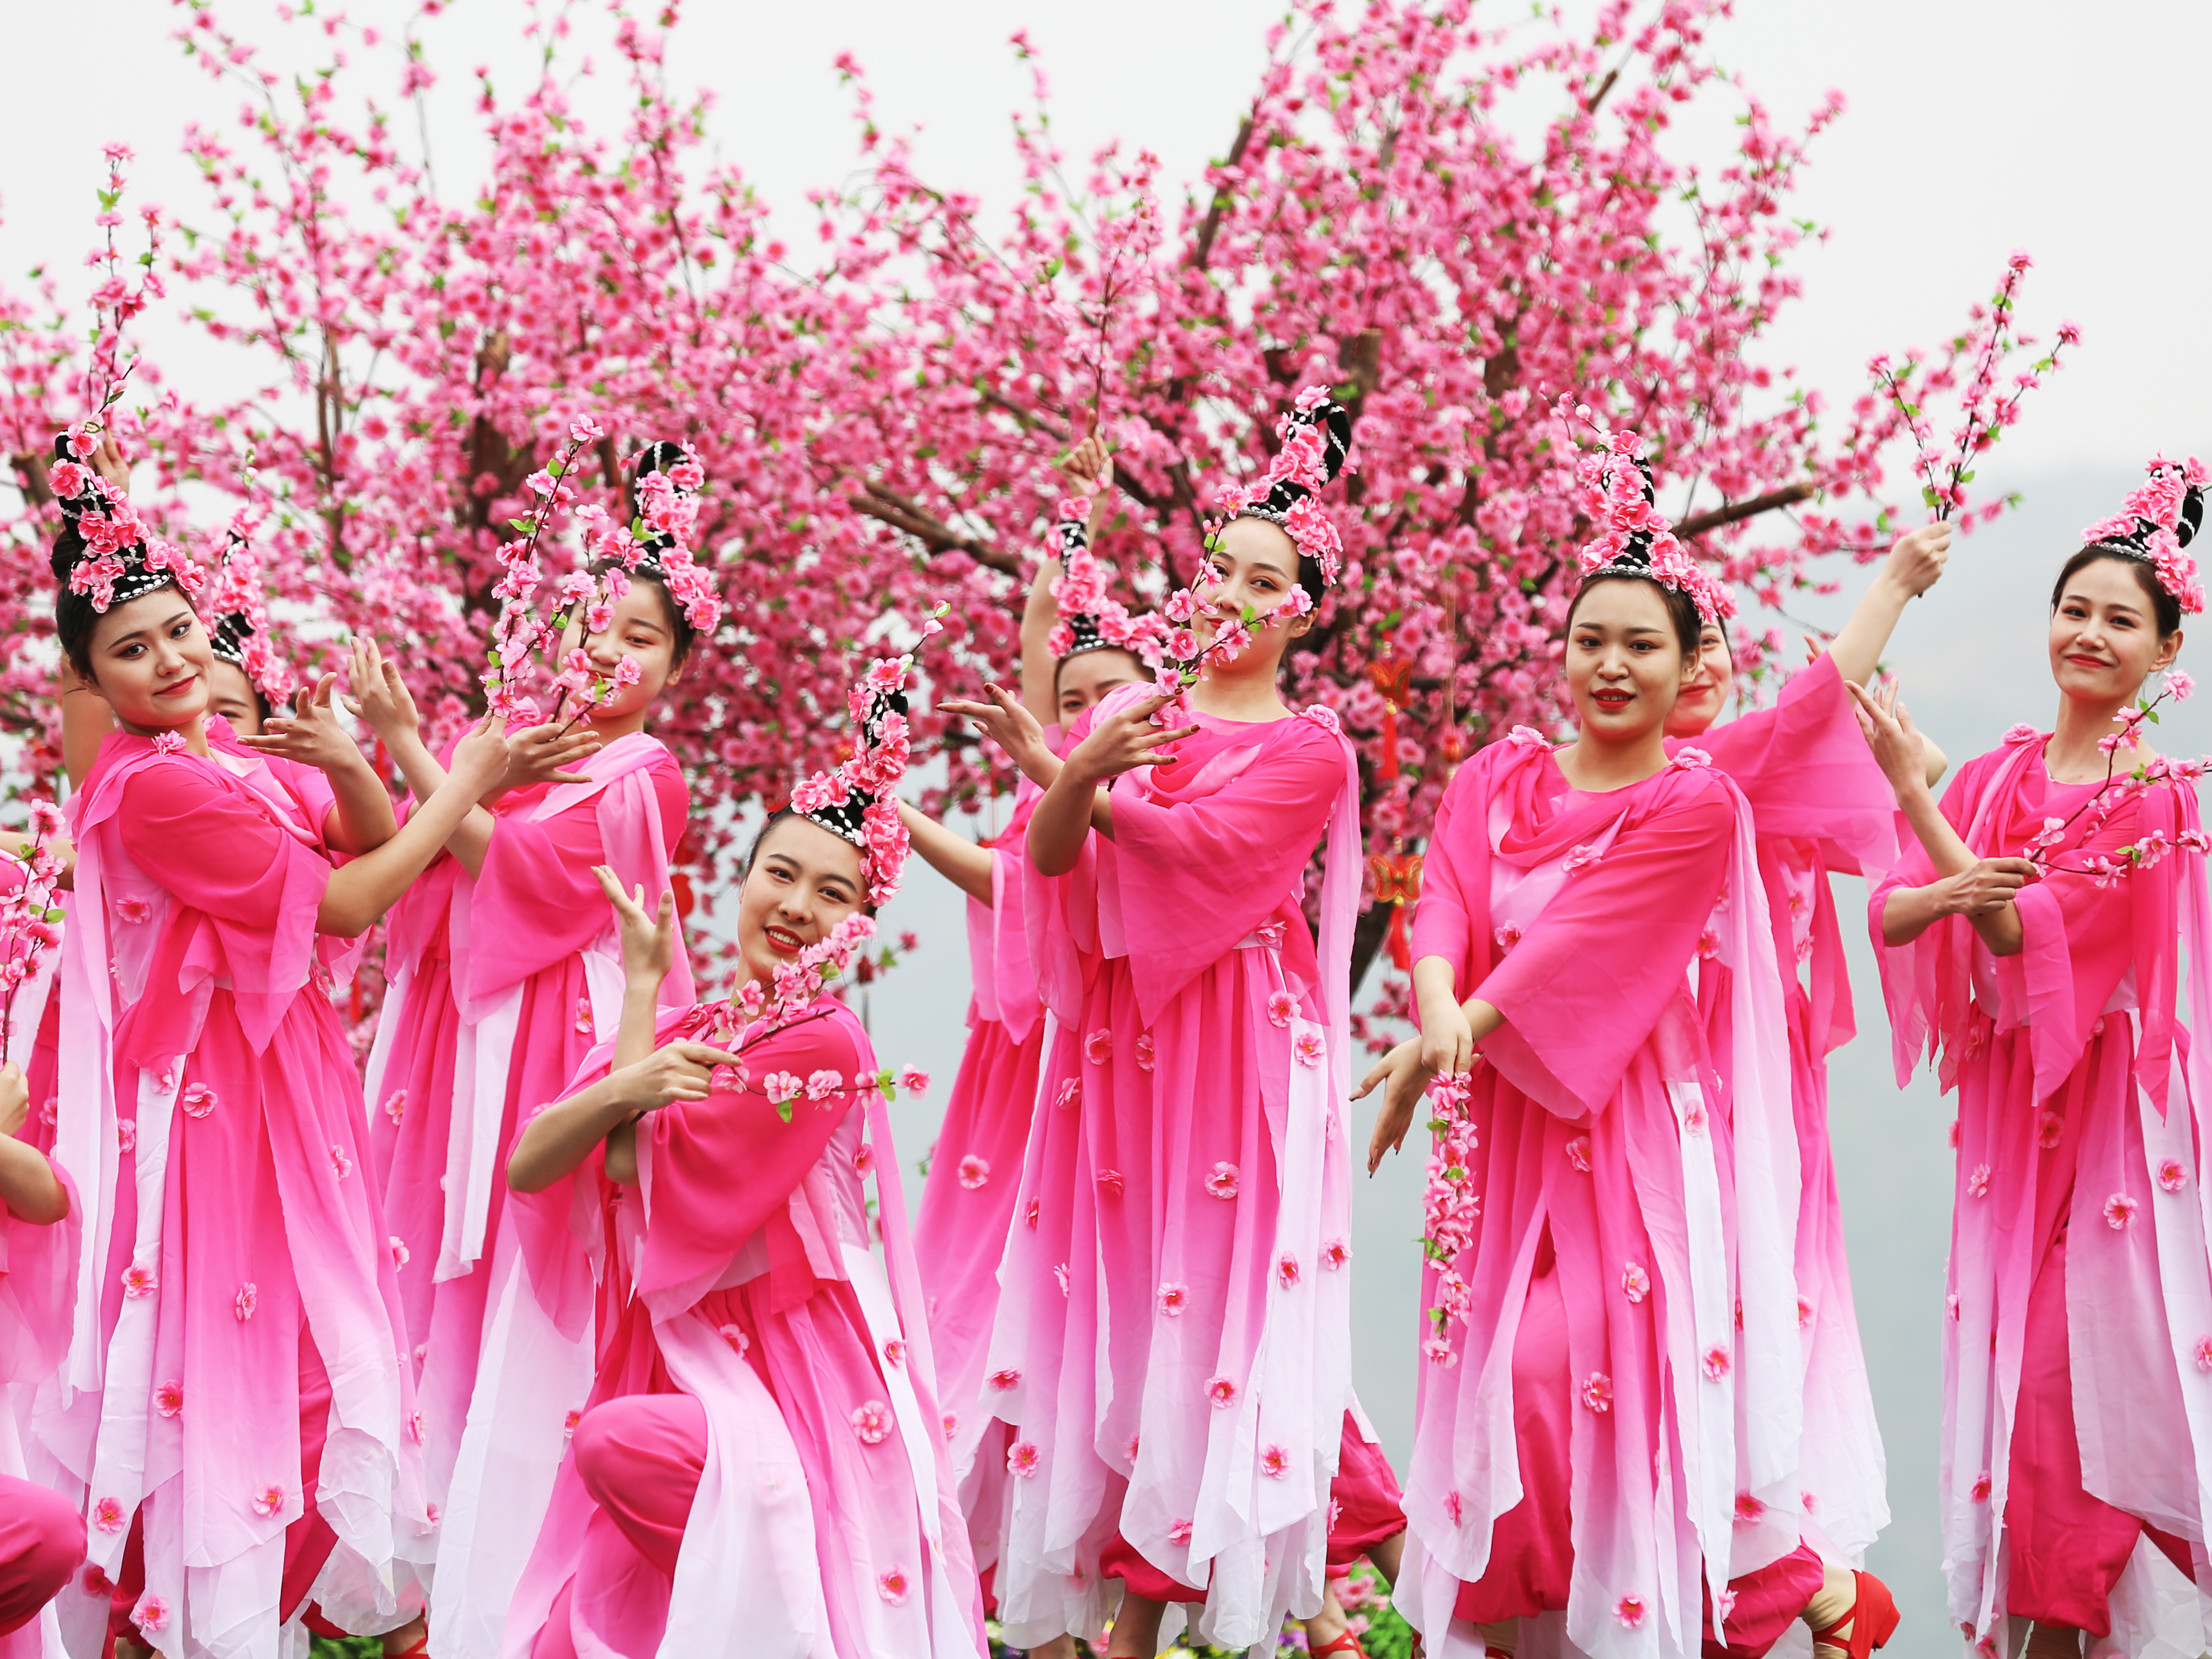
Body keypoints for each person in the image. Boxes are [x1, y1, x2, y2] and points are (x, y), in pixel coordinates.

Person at [1362, 425, 1892, 1659]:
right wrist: (1437, 1009)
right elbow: (1442, 892)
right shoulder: (1494, 774)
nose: (1609, 664)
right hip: (1500, 1129)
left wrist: (1452, 1031)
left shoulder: (1694, 802)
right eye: (1588, 640)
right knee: (1496, 1385)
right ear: (1557, 654)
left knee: (1579, 1380)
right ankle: (1591, 1622)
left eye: (1639, 645)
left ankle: (1720, 1599)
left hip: (1635, 1131)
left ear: (1684, 665)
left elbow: (1579, 946)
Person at [35, 438, 513, 1659]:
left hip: (294, 1089)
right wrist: (463, 783)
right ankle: (169, 1621)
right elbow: (354, 906)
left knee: (314, 1360)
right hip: (221, 1108)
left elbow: (359, 842)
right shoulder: (151, 789)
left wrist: (356, 756)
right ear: (89, 677)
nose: (170, 661)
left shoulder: (225, 763)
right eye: (130, 652)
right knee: (257, 1369)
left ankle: (180, 1624)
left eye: (180, 631)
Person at [502, 639, 985, 1657]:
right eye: (781, 874)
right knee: (574, 1627)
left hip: (775, 1371)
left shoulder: (822, 1045)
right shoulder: (686, 1028)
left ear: (859, 925)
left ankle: (777, 1586)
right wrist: (641, 1001)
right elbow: (533, 1161)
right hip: (667, 1354)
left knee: (629, 1468)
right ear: (744, 875)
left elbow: (633, 1167)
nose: (797, 909)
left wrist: (624, 1088)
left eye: (833, 894)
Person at [978, 387, 1364, 1655]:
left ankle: (1155, 1612)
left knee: (1217, 1298)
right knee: (1127, 1293)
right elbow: (1048, 860)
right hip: (1121, 1044)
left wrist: (1081, 774)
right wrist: (1073, 771)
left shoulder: (1311, 747)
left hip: (1239, 1043)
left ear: (1299, 610)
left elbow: (1205, 852)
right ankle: (1109, 1589)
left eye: (1265, 579)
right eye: (1218, 567)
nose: (1230, 593)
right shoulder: (1125, 714)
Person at [353, 442, 713, 1659]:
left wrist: (424, 755)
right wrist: (457, 770)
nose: (610, 655)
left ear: (674, 671)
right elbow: (423, 885)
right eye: (594, 628)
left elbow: (520, 878)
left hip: (551, 1040)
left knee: (519, 1286)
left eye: (642, 640)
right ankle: (429, 1591)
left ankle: (518, 1589)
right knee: (430, 1293)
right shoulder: (513, 740)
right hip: (465, 1033)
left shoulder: (643, 770)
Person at [1861, 457, 2212, 1659]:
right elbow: (1898, 916)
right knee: (2020, 1423)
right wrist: (1942, 863)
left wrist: (1915, 795)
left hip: (2105, 1154)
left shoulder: (2153, 800)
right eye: (2075, 608)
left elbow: (2023, 935)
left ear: (2167, 653)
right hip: (2014, 1147)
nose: (2090, 633)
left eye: (2122, 619)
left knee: (2068, 1412)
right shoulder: (2002, 775)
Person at [900, 436, 1161, 1649]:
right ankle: (1028, 1607)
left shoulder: (1130, 791)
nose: (1077, 713)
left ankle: (1101, 1612)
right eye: (1068, 697)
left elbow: (1018, 875)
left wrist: (901, 823)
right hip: (1013, 1068)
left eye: (1103, 697)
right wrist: (1070, 533)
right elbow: (1039, 683)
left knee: (1075, 1319)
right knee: (983, 1310)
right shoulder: (1054, 770)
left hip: (1080, 1063)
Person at [1661, 520, 1952, 1576]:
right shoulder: (1680, 777)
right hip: (1668, 1079)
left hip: (1755, 1088)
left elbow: (1859, 753)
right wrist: (1889, 585)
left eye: (1711, 642)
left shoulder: (1745, 769)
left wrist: (1914, 766)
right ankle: (1793, 1575)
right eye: (1669, 640)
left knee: (1749, 1293)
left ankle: (1786, 1560)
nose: (1696, 661)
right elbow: (1810, 711)